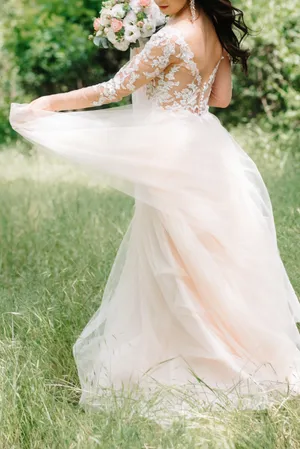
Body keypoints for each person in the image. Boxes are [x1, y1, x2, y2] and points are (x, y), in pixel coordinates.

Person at [9, 0, 300, 418]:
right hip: (208, 149)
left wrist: (47, 104)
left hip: (170, 156)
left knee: (173, 258)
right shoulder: (215, 32)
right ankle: (244, 353)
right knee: (214, 258)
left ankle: (194, 359)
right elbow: (220, 98)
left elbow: (112, 90)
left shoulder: (169, 38)